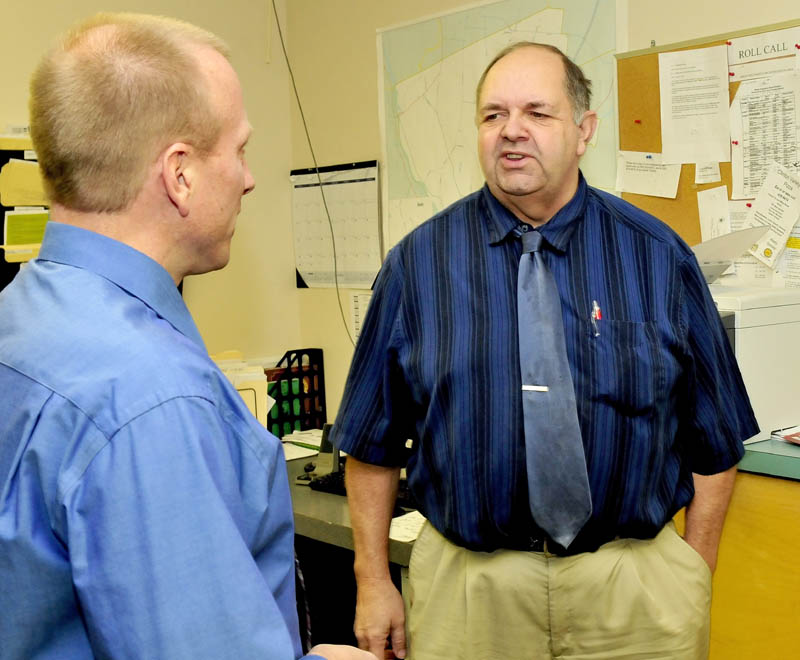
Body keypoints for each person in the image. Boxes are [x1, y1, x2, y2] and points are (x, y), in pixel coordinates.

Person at [330, 42, 758, 660]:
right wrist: (372, 582)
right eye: (493, 115)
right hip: (470, 595)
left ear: (584, 131)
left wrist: (694, 569)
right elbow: (370, 447)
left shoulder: (657, 257)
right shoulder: (416, 266)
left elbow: (716, 441)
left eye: (537, 113)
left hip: (632, 592)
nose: (512, 132)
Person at [0, 13, 375, 660]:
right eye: (239, 149)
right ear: (180, 175)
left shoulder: (23, 316)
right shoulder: (152, 401)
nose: (248, 176)